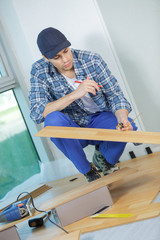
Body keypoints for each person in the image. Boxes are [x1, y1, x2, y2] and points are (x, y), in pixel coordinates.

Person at [29, 27, 137, 182]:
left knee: (125, 125)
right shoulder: (39, 71)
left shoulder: (92, 60)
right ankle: (88, 171)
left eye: (66, 51)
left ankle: (104, 160)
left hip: (100, 119)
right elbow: (36, 113)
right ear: (46, 58)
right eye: (57, 57)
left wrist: (122, 118)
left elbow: (116, 96)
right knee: (52, 121)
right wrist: (74, 94)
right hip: (72, 129)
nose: (65, 59)